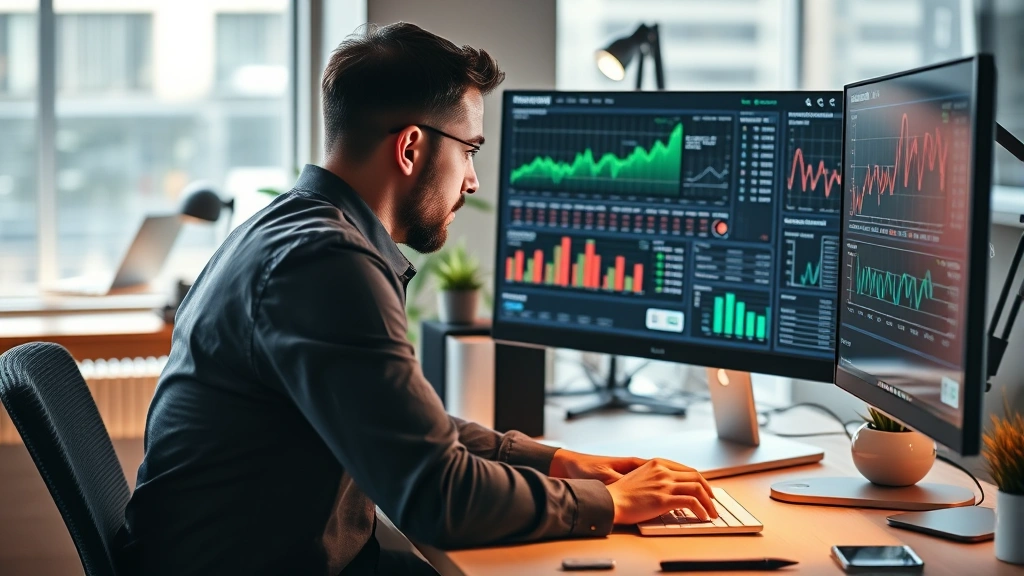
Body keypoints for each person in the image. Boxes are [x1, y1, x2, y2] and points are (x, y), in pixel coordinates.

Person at [116, 22, 717, 576]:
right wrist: (606, 503)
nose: (473, 180)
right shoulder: (326, 262)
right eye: (471, 150)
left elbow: (396, 423)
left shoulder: (286, 228)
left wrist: (557, 462)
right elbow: (435, 495)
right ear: (410, 148)